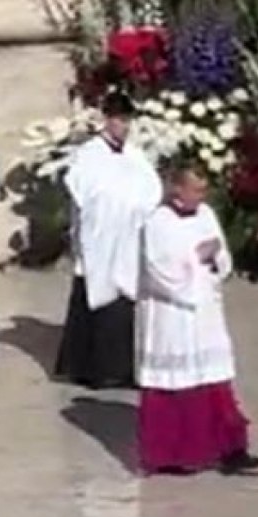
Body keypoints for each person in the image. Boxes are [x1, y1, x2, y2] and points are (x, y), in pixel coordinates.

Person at [135, 161, 258, 475]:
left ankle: (232, 449)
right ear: (176, 189)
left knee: (215, 379)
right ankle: (176, 454)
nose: (201, 196)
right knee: (178, 383)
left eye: (203, 190)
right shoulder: (158, 223)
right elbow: (159, 269)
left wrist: (216, 255)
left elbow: (221, 255)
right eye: (195, 189)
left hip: (205, 312)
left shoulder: (206, 214)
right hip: (175, 313)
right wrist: (196, 259)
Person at [54, 92, 162, 389]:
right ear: (106, 119)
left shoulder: (135, 154)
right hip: (100, 238)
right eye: (118, 120)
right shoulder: (89, 153)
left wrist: (136, 209)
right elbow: (85, 191)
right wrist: (115, 205)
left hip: (128, 238)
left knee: (124, 303)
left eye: (127, 120)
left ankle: (122, 367)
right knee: (96, 295)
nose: (123, 127)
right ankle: (92, 369)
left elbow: (150, 188)